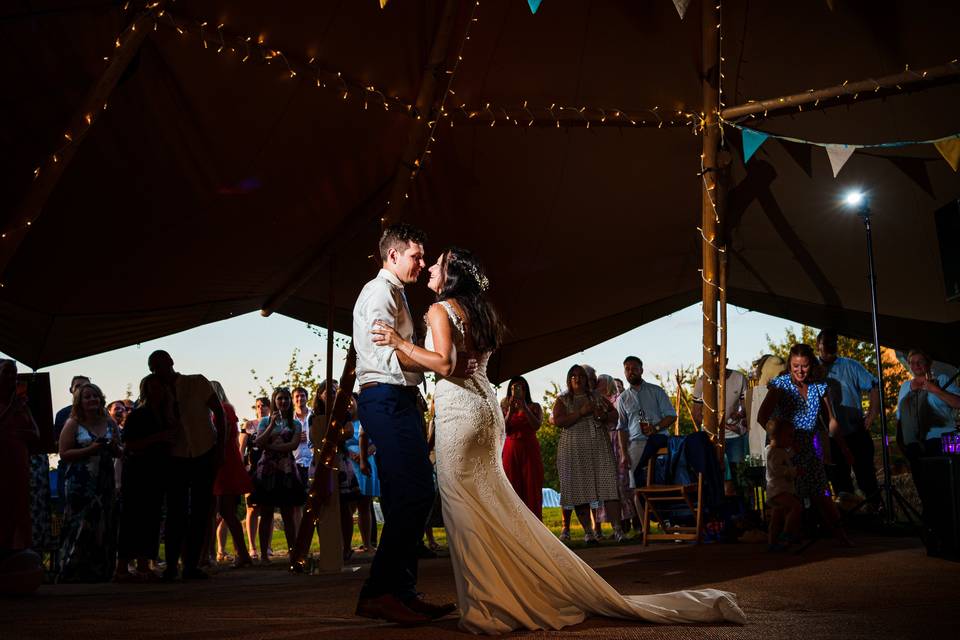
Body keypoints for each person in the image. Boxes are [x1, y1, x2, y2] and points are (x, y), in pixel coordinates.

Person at [372, 246, 744, 633]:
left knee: (463, 510)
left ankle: (489, 603)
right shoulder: (480, 310)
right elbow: (463, 362)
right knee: (495, 506)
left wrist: (399, 343)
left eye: (439, 263)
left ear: (451, 275)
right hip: (484, 413)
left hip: (460, 415)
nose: (430, 266)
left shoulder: (439, 309)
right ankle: (506, 588)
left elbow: (447, 364)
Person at [352, 223, 470, 626]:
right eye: (416, 256)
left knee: (406, 494)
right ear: (393, 256)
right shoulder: (379, 293)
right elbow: (388, 357)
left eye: (423, 257)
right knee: (418, 492)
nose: (422, 263)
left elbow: (402, 352)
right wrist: (436, 362)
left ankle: (401, 591)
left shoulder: (397, 292)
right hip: (385, 398)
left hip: (400, 399)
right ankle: (379, 591)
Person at [757, 344, 851, 546]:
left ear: (811, 365)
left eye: (804, 366)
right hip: (785, 452)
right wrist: (780, 441)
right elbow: (762, 417)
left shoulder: (819, 386)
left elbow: (831, 421)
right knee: (786, 501)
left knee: (823, 494)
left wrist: (844, 448)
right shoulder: (780, 384)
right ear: (790, 364)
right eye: (795, 366)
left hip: (809, 448)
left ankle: (841, 537)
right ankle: (778, 541)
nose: (799, 370)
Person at [147, 350, 225, 581]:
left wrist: (220, 448)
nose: (159, 371)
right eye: (154, 368)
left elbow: (219, 413)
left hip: (204, 451)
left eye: (161, 365)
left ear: (171, 362)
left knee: (201, 510)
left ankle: (191, 565)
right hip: (176, 457)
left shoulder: (196, 382)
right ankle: (172, 565)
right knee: (175, 512)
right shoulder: (157, 392)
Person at [114, 374, 178, 581]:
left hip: (158, 471)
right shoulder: (139, 415)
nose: (157, 392)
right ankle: (122, 567)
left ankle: (143, 565)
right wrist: (158, 438)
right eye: (152, 388)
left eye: (160, 387)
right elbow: (129, 445)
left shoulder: (168, 414)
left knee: (151, 517)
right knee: (131, 518)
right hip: (138, 472)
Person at [57, 382, 121, 582]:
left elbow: (120, 450)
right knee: (80, 524)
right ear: (80, 402)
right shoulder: (73, 424)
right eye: (87, 397)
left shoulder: (109, 423)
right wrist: (90, 449)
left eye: (95, 396)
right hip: (80, 481)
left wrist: (113, 448)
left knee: (104, 524)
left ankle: (101, 572)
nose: (92, 399)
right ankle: (71, 572)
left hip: (105, 480)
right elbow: (64, 453)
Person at [553, 365, 624, 543]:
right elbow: (559, 421)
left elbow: (614, 416)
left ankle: (617, 530)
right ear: (569, 380)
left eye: (581, 376)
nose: (577, 379)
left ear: (586, 379)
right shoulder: (562, 399)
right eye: (573, 376)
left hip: (598, 444)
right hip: (573, 447)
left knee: (608, 485)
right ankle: (588, 532)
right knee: (579, 490)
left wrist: (602, 416)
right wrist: (581, 413)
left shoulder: (597, 396)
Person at [816, 329, 881, 504]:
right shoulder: (813, 369)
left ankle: (877, 511)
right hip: (829, 436)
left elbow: (874, 384)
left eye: (833, 342)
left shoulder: (850, 365)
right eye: (825, 342)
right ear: (818, 345)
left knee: (866, 476)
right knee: (839, 481)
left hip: (855, 431)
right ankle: (850, 518)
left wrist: (872, 413)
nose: (830, 346)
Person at [896, 348, 960, 519]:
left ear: (928, 363)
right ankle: (933, 527)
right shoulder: (904, 387)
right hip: (918, 444)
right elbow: (900, 418)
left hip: (947, 438)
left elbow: (958, 403)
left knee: (951, 485)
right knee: (926, 487)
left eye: (920, 361)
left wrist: (935, 390)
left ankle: (953, 525)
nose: (916, 365)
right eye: (912, 362)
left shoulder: (942, 380)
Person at [616, 357, 676, 526]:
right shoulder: (623, 398)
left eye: (634, 368)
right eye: (627, 369)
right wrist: (623, 453)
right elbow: (621, 428)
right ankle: (644, 530)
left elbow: (671, 416)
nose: (630, 371)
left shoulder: (656, 391)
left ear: (641, 370)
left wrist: (655, 428)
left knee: (662, 484)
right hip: (636, 445)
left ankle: (669, 522)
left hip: (659, 442)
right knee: (637, 488)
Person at [252, 387, 305, 563]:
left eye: (286, 399)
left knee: (288, 512)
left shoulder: (295, 423)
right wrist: (271, 427)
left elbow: (293, 445)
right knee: (265, 512)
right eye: (280, 398)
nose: (284, 401)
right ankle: (264, 555)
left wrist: (271, 447)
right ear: (274, 400)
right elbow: (258, 442)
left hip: (287, 470)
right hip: (267, 470)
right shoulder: (265, 421)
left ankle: (293, 552)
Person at [210, 381, 253, 567]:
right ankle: (238, 554)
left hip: (224, 464)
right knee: (223, 512)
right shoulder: (223, 409)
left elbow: (225, 434)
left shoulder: (224, 409)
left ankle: (241, 554)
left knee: (225, 511)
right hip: (224, 463)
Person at [0, 360, 40, 553]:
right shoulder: (12, 404)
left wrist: (20, 434)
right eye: (6, 372)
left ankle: (17, 548)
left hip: (19, 461)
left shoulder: (22, 405)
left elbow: (36, 433)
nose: (12, 378)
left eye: (14, 373)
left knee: (18, 506)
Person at [692, 361, 749, 495]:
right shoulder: (701, 382)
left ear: (725, 360)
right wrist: (713, 427)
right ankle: (717, 509)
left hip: (735, 436)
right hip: (711, 438)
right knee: (714, 475)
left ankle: (741, 510)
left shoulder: (739, 378)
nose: (713, 365)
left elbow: (746, 407)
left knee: (739, 476)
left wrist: (740, 415)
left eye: (717, 361)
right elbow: (696, 413)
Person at [499, 376, 544, 520]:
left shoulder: (534, 406)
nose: (516, 391)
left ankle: (535, 524)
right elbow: (502, 429)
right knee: (512, 485)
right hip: (511, 449)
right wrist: (511, 411)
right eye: (513, 388)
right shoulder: (504, 406)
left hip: (529, 449)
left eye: (520, 388)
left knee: (532, 486)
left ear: (526, 390)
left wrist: (524, 407)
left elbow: (536, 425)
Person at [596, 373, 635, 533]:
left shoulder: (619, 398)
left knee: (624, 483)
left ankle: (632, 522)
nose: (597, 385)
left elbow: (631, 417)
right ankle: (616, 524)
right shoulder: (597, 400)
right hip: (604, 443)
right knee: (610, 486)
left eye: (600, 383)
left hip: (619, 441)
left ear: (607, 384)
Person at [241, 396, 270, 559]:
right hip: (252, 468)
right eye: (258, 406)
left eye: (264, 405)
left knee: (268, 508)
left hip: (268, 468)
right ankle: (252, 547)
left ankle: (268, 546)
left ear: (269, 407)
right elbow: (241, 448)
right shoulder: (249, 425)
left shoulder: (274, 424)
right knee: (252, 508)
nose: (260, 408)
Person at [765, 421, 801, 552]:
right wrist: (795, 471)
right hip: (778, 489)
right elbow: (777, 469)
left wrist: (793, 452)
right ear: (776, 436)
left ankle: (772, 542)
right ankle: (786, 533)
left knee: (776, 516)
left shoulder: (777, 451)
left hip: (777, 489)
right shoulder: (774, 452)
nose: (791, 439)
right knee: (796, 506)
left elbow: (784, 459)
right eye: (789, 436)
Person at [291, 386, 313, 531]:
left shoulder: (314, 414)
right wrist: (296, 438)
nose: (300, 399)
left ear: (307, 397)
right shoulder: (289, 420)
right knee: (297, 503)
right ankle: (299, 538)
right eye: (297, 396)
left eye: (302, 396)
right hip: (296, 463)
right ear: (293, 399)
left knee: (315, 502)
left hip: (313, 462)